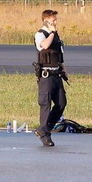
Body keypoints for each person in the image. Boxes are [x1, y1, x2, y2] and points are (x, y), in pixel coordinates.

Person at [33, 9, 67, 147]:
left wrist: (64, 69)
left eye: (56, 20)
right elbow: (45, 46)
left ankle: (43, 129)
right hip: (46, 76)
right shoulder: (40, 34)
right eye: (53, 20)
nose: (55, 22)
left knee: (61, 103)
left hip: (56, 74)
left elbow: (59, 54)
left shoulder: (56, 36)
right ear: (46, 21)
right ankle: (45, 135)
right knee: (45, 105)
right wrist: (52, 32)